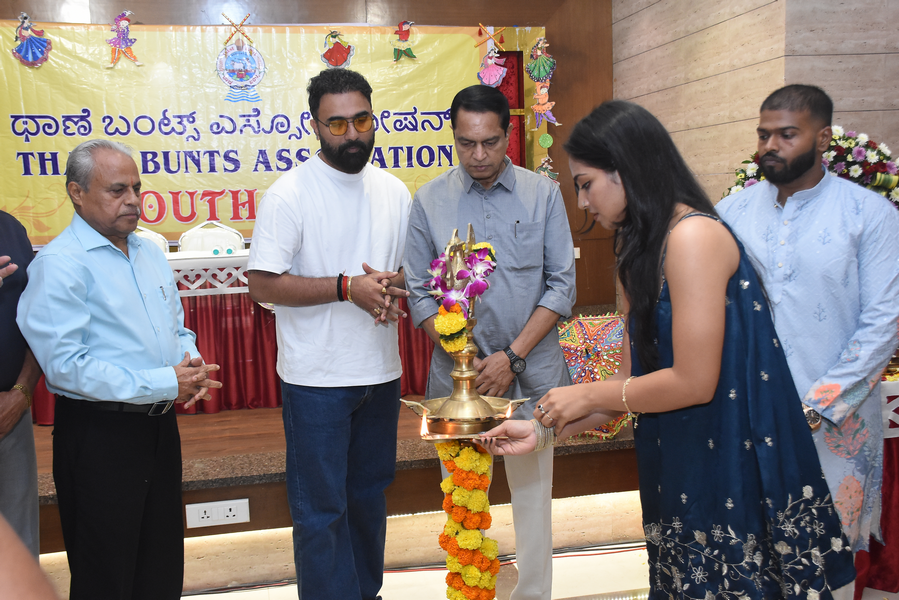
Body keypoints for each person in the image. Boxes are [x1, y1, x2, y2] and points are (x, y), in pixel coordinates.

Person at [482, 100, 857, 599]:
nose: (583, 203)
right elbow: (631, 386)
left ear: (625, 170)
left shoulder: (693, 237)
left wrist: (586, 394)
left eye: (586, 183)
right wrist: (543, 429)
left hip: (733, 459)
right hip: (679, 459)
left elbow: (694, 382)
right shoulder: (639, 249)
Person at [17, 139, 222, 600]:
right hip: (100, 437)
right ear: (76, 193)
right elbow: (66, 368)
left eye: (136, 188)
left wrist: (189, 364)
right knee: (106, 576)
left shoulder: (149, 252)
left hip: (159, 429)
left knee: (160, 567)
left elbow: (175, 327)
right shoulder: (59, 264)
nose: (132, 200)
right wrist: (166, 381)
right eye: (117, 190)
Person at [404, 84, 576, 600]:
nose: (478, 155)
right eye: (466, 143)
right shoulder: (429, 200)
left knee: (533, 499)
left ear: (509, 135)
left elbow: (561, 285)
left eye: (490, 142)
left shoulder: (542, 194)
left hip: (531, 374)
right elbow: (419, 293)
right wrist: (465, 358)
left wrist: (512, 358)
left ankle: (534, 596)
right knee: (462, 501)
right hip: (459, 384)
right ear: (454, 138)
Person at [247, 69, 412, 600]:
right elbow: (261, 285)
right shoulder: (289, 194)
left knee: (368, 498)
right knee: (321, 511)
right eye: (337, 124)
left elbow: (409, 272)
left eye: (361, 120)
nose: (352, 134)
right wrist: (346, 288)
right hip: (315, 380)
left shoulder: (394, 191)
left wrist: (393, 285)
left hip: (380, 372)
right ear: (314, 126)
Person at [717, 85, 899, 561]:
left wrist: (818, 406)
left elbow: (883, 323)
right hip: (747, 414)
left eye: (787, 135)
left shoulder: (870, 215)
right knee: (752, 558)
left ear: (822, 139)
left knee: (826, 558)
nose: (770, 146)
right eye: (763, 135)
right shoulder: (730, 213)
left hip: (835, 424)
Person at [0, 211, 42, 559]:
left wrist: (22, 393)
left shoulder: (11, 228)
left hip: (10, 413)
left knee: (20, 547)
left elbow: (38, 321)